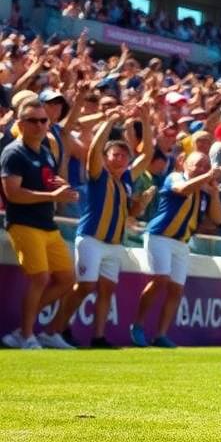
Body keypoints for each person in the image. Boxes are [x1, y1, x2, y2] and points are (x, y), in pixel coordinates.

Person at [44, 109, 153, 348]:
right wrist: (109, 121)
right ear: (106, 157)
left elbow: (147, 155)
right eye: (115, 155)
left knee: (107, 290)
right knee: (84, 286)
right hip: (92, 239)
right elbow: (94, 150)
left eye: (124, 156)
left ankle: (98, 336)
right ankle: (53, 330)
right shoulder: (98, 173)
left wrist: (144, 122)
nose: (121, 159)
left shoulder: (125, 180)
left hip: (113, 244)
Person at [0, 97, 78, 348]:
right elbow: (13, 193)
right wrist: (53, 196)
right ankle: (25, 334)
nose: (40, 125)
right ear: (21, 124)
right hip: (23, 223)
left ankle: (37, 331)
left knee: (67, 278)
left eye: (43, 120)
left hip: (47, 224)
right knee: (41, 278)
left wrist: (61, 186)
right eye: (33, 121)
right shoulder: (13, 153)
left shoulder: (45, 150)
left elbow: (49, 179)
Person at [130, 151, 221, 348]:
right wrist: (208, 177)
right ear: (184, 164)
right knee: (161, 280)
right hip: (160, 237)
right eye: (197, 164)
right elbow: (182, 190)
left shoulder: (204, 190)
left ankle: (161, 334)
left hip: (182, 243)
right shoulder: (175, 177)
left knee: (176, 289)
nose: (202, 169)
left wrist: (215, 193)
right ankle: (137, 325)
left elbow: (218, 219)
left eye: (206, 166)